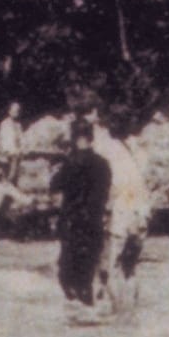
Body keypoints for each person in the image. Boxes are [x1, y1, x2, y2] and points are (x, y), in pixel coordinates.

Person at [51, 117, 112, 307]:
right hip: (93, 222)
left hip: (72, 222)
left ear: (74, 138)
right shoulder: (103, 163)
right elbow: (106, 191)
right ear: (91, 138)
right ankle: (89, 311)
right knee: (87, 273)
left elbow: (54, 185)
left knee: (67, 276)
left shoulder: (70, 163)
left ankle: (73, 313)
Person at [96, 119, 151, 314]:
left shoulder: (108, 151)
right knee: (131, 269)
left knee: (111, 267)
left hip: (121, 215)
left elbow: (112, 188)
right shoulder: (140, 151)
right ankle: (132, 315)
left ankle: (117, 314)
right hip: (141, 214)